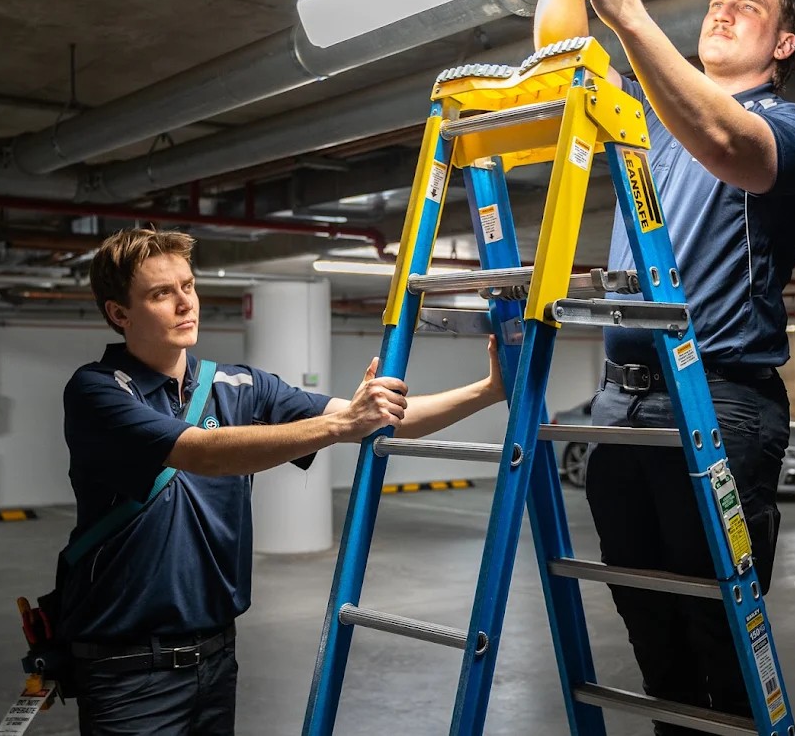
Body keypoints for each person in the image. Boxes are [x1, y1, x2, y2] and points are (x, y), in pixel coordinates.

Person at [541, 0, 795, 731]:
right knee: (650, 631)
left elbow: (731, 143)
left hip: (714, 403)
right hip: (618, 410)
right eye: (715, 2)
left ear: (782, 42)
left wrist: (633, 18)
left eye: (749, 6)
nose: (724, 12)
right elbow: (562, 55)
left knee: (718, 631)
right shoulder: (647, 126)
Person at [56, 226, 504, 735]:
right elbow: (200, 452)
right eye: (161, 293)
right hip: (128, 674)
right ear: (120, 314)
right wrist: (341, 423)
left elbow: (386, 417)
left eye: (188, 285)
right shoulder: (98, 392)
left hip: (216, 658)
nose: (185, 303)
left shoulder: (239, 386)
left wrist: (490, 390)